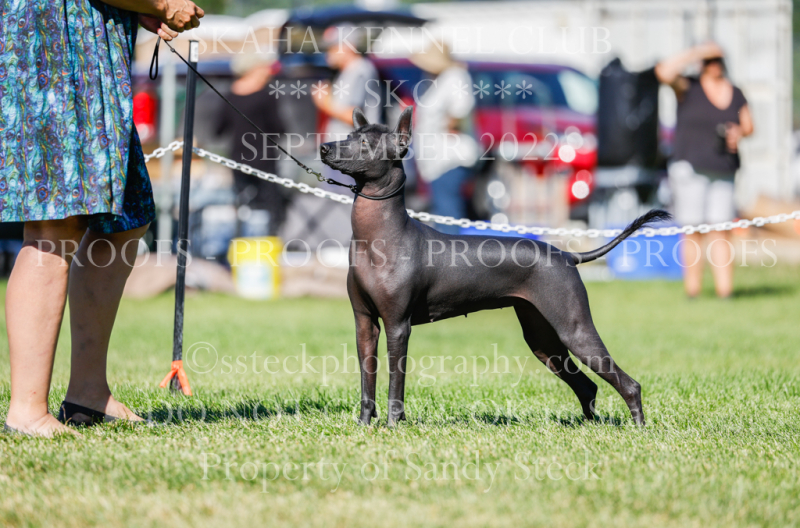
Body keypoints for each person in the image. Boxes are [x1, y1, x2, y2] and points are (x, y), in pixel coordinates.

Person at [0, 0, 203, 437]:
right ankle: (27, 411)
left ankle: (88, 394)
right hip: (53, 53)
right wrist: (163, 4)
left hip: (95, 59)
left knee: (127, 218)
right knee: (56, 224)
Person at [655, 42, 754, 298]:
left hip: (723, 168)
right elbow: (662, 72)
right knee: (692, 231)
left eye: (717, 59)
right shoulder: (688, 87)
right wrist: (698, 51)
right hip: (690, 169)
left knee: (721, 231)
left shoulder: (735, 92)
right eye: (709, 60)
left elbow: (749, 126)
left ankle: (725, 293)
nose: (714, 64)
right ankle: (693, 293)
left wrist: (739, 133)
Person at [214, 53, 287, 236]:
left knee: (243, 204)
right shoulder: (265, 96)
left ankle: (243, 238)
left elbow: (219, 128)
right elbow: (278, 127)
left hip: (238, 157)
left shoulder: (230, 95)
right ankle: (270, 239)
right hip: (264, 158)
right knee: (271, 204)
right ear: (253, 69)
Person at [410, 41, 478, 234]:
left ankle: (452, 252)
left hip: (449, 158)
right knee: (443, 211)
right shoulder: (438, 79)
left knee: (448, 215)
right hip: (437, 161)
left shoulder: (455, 76)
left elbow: (461, 108)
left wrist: (450, 124)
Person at [313, 25, 381, 190]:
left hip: (352, 154)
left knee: (346, 202)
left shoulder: (359, 70)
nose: (327, 53)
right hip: (343, 152)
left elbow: (354, 116)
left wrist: (324, 102)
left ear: (348, 46)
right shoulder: (348, 71)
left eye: (332, 47)